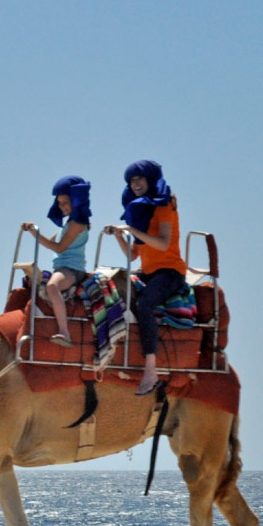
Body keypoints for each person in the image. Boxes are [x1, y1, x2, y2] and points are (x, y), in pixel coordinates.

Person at [109, 160, 186, 395]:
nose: (135, 184)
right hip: (148, 272)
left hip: (170, 272)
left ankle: (151, 370)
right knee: (111, 290)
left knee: (144, 305)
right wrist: (119, 235)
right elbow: (133, 256)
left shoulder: (165, 206)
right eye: (131, 181)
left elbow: (163, 243)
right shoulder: (139, 209)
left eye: (139, 179)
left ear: (151, 179)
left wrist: (132, 231)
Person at [20, 176, 91, 345]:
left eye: (66, 202)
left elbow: (59, 248)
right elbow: (51, 243)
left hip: (72, 269)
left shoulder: (78, 223)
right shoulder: (68, 224)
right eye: (60, 203)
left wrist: (34, 233)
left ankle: (64, 332)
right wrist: (34, 233)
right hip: (61, 267)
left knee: (52, 286)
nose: (63, 207)